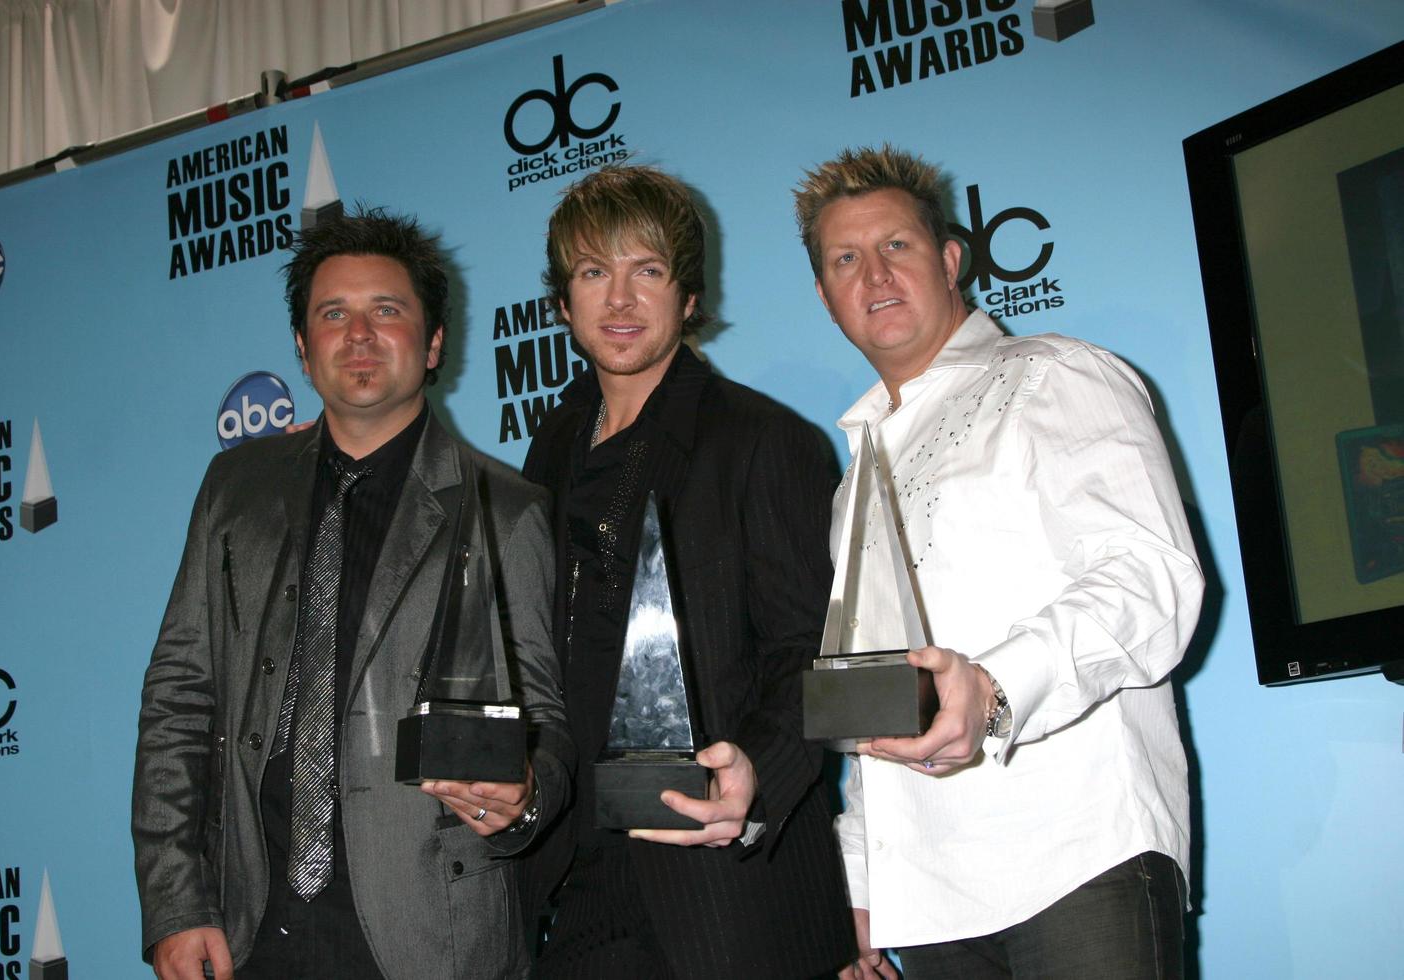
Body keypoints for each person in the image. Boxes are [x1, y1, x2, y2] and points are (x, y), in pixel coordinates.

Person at [793, 146, 1203, 979]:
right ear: (825, 295)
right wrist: (867, 885)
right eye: (845, 258)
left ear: (949, 259)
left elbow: (1151, 578)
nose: (873, 274)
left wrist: (996, 686)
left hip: (1082, 855)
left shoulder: (1053, 374)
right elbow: (877, 691)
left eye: (896, 246)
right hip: (935, 906)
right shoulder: (853, 483)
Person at [132, 208, 571, 980]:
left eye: (387, 311)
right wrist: (176, 903)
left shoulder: (506, 510)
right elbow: (179, 699)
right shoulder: (235, 491)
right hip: (250, 934)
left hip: (429, 939)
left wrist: (523, 796)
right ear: (303, 349)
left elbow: (545, 719)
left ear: (434, 343)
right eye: (333, 314)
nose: (359, 335)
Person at [521, 164, 856, 979]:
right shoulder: (546, 453)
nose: (621, 300)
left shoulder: (763, 441)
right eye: (595, 273)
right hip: (579, 882)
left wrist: (757, 773)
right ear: (564, 303)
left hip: (734, 888)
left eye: (649, 271)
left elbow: (810, 653)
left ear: (690, 296)